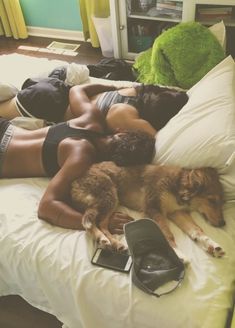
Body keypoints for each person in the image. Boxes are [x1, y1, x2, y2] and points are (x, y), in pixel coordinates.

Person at [0, 84, 155, 235]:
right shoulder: (82, 157)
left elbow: (77, 89)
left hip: (6, 127)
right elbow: (47, 207)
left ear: (120, 132)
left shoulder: (92, 118)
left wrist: (115, 88)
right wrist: (95, 221)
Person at [0, 75, 188, 137]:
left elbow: (80, 89)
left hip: (55, 88)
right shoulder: (129, 117)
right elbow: (159, 146)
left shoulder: (137, 91)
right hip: (49, 104)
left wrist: (112, 86)